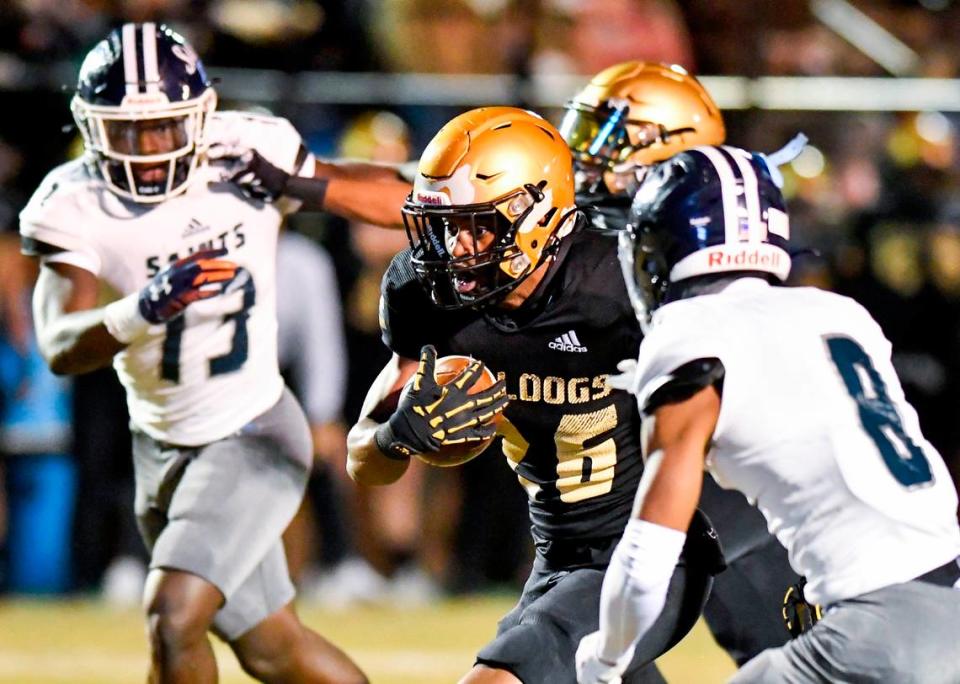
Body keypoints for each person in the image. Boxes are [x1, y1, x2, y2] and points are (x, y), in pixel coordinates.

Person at [19, 23, 365, 683]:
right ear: (92, 128)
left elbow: (372, 191)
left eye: (165, 128)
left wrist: (447, 192)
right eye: (126, 130)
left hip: (254, 429)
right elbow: (60, 346)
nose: (148, 150)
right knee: (272, 647)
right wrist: (141, 309)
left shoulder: (246, 155)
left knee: (174, 612)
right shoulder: (74, 201)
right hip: (160, 442)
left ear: (200, 117)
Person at [346, 106, 724, 684]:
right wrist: (399, 436)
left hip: (652, 551)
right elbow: (361, 459)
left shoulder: (623, 280)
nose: (456, 250)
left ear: (539, 211)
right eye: (444, 227)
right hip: (556, 559)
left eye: (478, 226)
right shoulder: (428, 297)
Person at [575, 145, 960, 684]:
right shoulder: (837, 314)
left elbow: (648, 554)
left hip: (884, 631)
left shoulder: (690, 336)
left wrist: (603, 660)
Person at [559, 60, 802, 663]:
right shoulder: (604, 235)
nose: (587, 157)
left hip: (731, 483)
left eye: (609, 139)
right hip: (693, 479)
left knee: (587, 631)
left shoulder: (697, 247)